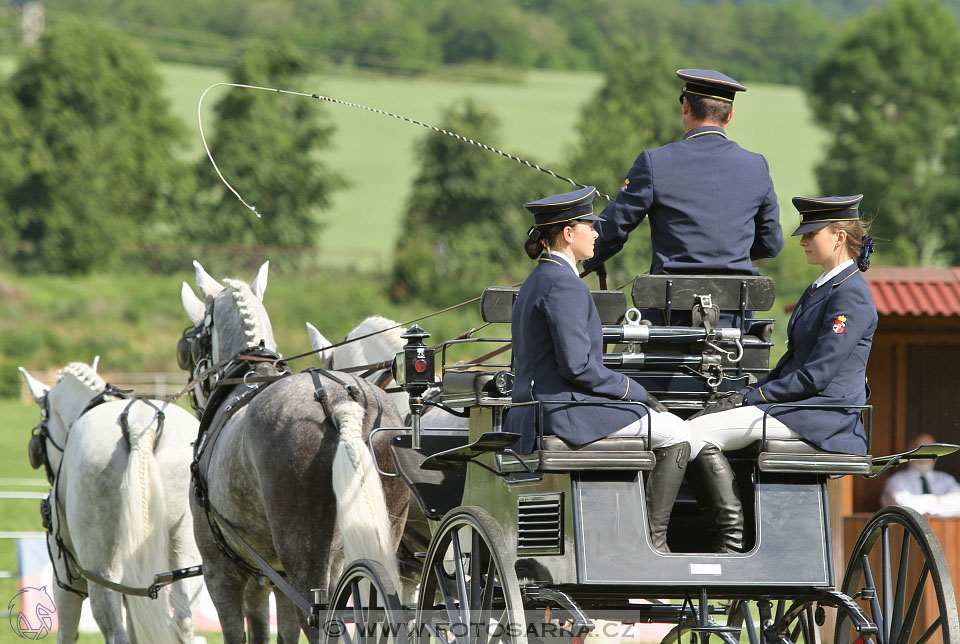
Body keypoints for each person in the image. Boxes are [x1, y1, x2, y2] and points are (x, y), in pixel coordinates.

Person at [506, 185, 728, 552]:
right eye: (589, 226)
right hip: (563, 413)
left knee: (667, 427)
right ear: (568, 233)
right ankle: (653, 544)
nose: (596, 232)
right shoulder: (563, 284)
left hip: (541, 409)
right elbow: (578, 367)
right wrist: (637, 392)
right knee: (679, 433)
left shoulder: (538, 280)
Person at [687, 194, 877, 551]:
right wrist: (748, 392)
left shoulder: (850, 296)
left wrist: (752, 397)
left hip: (821, 416)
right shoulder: (823, 287)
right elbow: (792, 362)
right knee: (704, 422)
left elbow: (815, 376)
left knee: (695, 433)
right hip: (801, 408)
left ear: (838, 236)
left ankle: (730, 540)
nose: (803, 240)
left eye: (811, 233)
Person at [583, 69, 783, 281]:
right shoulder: (757, 166)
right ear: (730, 115)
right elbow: (771, 243)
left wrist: (574, 258)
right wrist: (731, 258)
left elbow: (613, 228)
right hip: (736, 309)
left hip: (670, 308)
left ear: (686, 106)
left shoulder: (654, 162)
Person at [882, 433, 960, 516]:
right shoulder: (896, 480)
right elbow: (905, 507)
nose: (925, 456)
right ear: (909, 452)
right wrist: (937, 499)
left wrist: (924, 505)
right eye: (920, 450)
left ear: (937, 455)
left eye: (931, 451)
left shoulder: (946, 479)